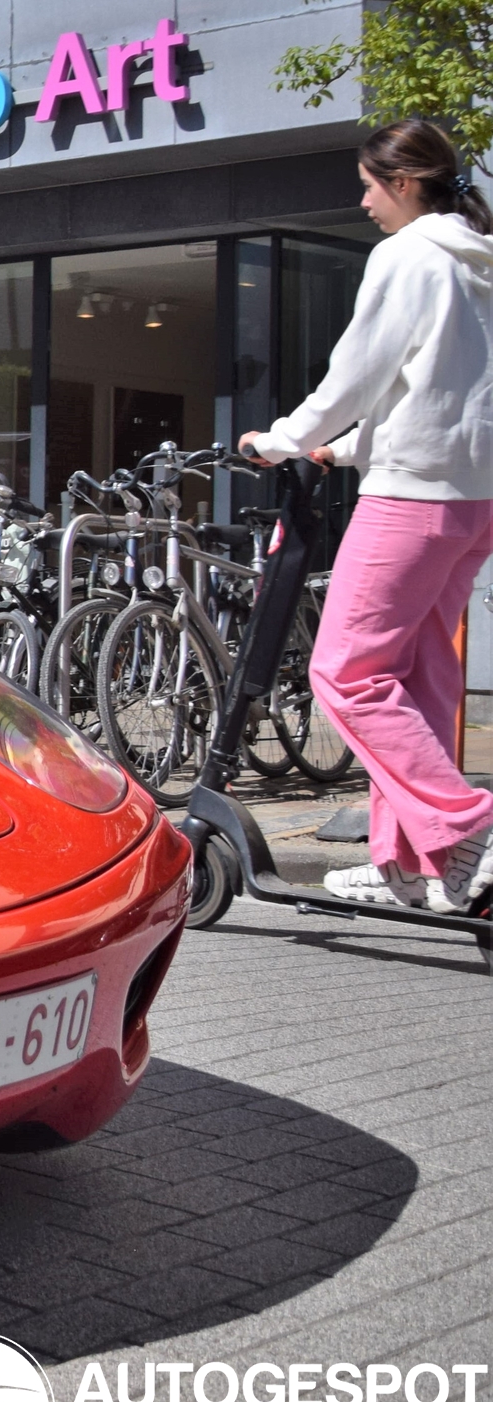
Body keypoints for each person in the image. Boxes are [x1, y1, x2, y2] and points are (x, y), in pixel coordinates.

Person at [240, 118, 493, 912]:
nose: (364, 200)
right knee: (419, 676)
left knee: (344, 671)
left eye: (370, 184)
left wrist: (283, 441)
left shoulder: (409, 255)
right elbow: (441, 389)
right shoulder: (480, 263)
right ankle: (406, 866)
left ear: (406, 183)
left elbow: (360, 371)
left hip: (411, 500)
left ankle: (466, 827)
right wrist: (345, 452)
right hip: (472, 499)